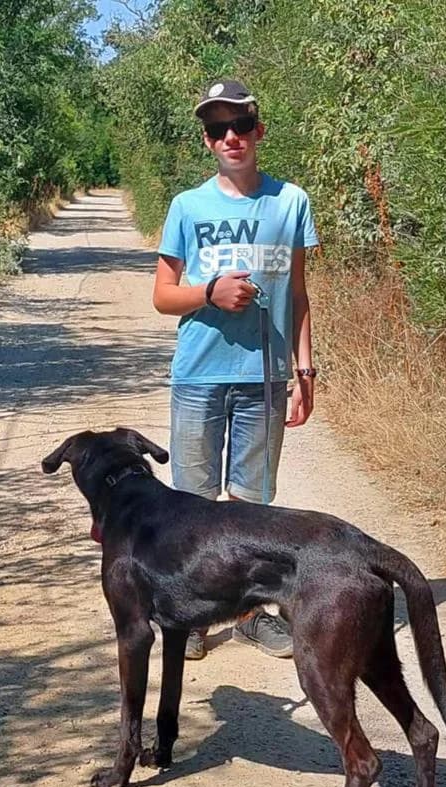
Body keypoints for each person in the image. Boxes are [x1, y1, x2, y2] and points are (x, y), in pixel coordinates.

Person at [152, 78, 319, 661]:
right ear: (207, 140)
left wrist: (305, 369)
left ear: (258, 131)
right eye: (218, 129)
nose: (231, 137)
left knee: (252, 506)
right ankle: (192, 617)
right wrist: (210, 292)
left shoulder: (290, 201)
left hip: (267, 378)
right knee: (193, 502)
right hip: (200, 374)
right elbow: (162, 296)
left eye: (241, 125)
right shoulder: (187, 207)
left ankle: (249, 612)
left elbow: (297, 293)